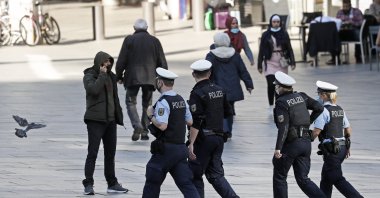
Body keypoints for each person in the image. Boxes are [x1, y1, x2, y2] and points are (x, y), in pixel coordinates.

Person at [142, 68, 200, 198]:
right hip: (180, 149)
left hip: (166, 149)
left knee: (152, 179)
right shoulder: (181, 100)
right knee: (186, 184)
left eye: (157, 81)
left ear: (160, 83)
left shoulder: (163, 102)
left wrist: (151, 116)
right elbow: (190, 122)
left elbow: (162, 126)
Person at [187, 59, 239, 198]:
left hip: (203, 140)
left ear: (194, 74)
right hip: (218, 138)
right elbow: (229, 113)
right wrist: (226, 133)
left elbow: (196, 121)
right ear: (209, 73)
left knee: (194, 175)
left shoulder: (197, 93)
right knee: (215, 175)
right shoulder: (219, 90)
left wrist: (191, 143)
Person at [272, 71, 326, 198]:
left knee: (280, 177)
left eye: (276, 86)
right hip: (306, 143)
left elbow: (283, 127)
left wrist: (278, 148)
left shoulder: (282, 102)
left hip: (291, 144)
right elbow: (319, 107)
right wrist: (308, 123)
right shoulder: (302, 96)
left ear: (280, 87)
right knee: (303, 179)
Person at [82, 51, 128, 195]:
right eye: (105, 62)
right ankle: (88, 184)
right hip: (95, 121)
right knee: (93, 153)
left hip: (110, 121)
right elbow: (93, 90)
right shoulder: (89, 76)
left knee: (110, 154)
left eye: (109, 62)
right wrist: (102, 75)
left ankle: (112, 183)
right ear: (99, 62)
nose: (108, 65)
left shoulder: (111, 76)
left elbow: (114, 98)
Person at [116, 18, 168, 141]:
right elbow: (162, 62)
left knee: (130, 102)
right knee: (148, 104)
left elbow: (121, 60)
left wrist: (119, 76)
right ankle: (145, 130)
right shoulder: (154, 41)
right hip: (150, 78)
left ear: (134, 28)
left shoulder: (129, 40)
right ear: (147, 28)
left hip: (132, 77)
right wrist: (162, 79)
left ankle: (137, 126)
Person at [311, 81, 363, 198]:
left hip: (332, 151)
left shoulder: (323, 111)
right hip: (342, 148)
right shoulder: (340, 109)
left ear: (324, 95)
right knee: (326, 179)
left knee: (337, 178)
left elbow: (316, 131)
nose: (317, 96)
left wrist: (306, 140)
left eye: (318, 93)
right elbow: (348, 130)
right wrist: (347, 146)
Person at [206, 32, 254, 139]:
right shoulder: (235, 54)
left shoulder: (211, 55)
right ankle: (228, 130)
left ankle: (223, 129)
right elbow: (242, 70)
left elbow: (206, 71)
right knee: (230, 110)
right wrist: (249, 84)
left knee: (219, 109)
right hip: (232, 88)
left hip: (217, 87)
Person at [257, 14, 295, 113]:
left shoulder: (284, 33)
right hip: (270, 61)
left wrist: (292, 61)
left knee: (281, 85)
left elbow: (289, 48)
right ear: (271, 22)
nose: (276, 24)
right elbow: (261, 49)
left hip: (282, 62)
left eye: (278, 22)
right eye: (274, 22)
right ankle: (271, 104)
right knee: (271, 84)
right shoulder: (266, 34)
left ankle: (280, 103)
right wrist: (259, 64)